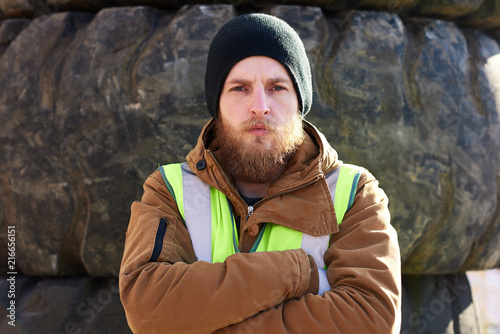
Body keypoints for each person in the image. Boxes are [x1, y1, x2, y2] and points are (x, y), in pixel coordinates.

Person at [119, 13, 401, 334]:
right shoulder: (170, 188)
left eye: (276, 87)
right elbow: (148, 309)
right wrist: (296, 270)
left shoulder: (354, 192)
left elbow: (370, 321)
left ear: (299, 103)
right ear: (218, 104)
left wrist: (207, 320)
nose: (259, 106)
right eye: (240, 88)